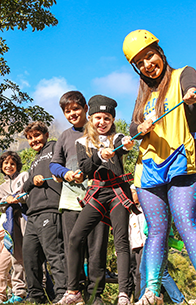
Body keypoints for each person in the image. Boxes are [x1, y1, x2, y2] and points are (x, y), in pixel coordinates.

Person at [122, 29, 196, 305]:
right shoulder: (142, 95)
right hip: (150, 167)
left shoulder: (183, 74)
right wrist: (138, 127)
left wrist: (191, 96)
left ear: (160, 52)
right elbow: (132, 125)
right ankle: (151, 293)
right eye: (139, 62)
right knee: (155, 230)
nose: (146, 64)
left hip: (185, 160)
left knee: (186, 219)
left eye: (149, 56)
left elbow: (193, 91)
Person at [57, 95, 135, 305]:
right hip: (98, 194)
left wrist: (127, 144)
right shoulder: (82, 142)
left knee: (120, 242)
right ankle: (73, 291)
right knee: (74, 238)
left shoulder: (117, 138)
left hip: (119, 192)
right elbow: (86, 168)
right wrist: (100, 156)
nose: (102, 122)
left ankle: (123, 294)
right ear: (90, 118)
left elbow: (126, 145)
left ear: (112, 120)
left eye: (107, 118)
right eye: (98, 118)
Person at [50, 91, 110, 305]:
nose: (72, 114)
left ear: (86, 108)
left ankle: (94, 295)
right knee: (72, 246)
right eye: (67, 111)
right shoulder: (65, 136)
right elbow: (54, 164)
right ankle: (73, 291)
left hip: (99, 199)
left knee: (97, 248)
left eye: (76, 109)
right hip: (70, 200)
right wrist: (65, 173)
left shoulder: (100, 130)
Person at [19, 121, 66, 304]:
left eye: (37, 136)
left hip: (50, 209)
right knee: (30, 256)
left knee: (54, 253)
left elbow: (67, 163)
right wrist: (32, 181)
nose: (34, 141)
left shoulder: (54, 148)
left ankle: (63, 293)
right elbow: (25, 187)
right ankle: (36, 296)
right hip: (33, 214)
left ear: (46, 135)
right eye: (30, 138)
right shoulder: (33, 161)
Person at [0, 151, 29, 303]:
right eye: (6, 164)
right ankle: (19, 291)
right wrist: (6, 200)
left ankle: (39, 287)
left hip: (26, 218)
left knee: (31, 251)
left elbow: (30, 195)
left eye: (12, 163)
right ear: (1, 167)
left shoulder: (24, 176)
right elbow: (0, 206)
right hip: (12, 222)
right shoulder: (2, 187)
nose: (9, 166)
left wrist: (18, 198)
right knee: (16, 256)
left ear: (17, 165)